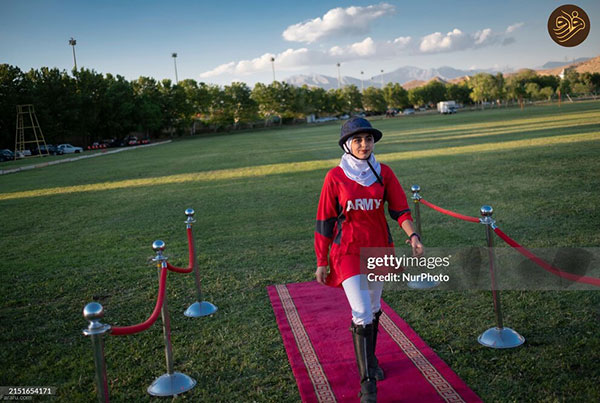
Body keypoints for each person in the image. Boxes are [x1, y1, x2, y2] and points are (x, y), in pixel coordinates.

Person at [314, 117, 424, 402]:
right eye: (358, 140)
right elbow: (325, 221)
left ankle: (371, 362)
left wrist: (413, 236)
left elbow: (400, 208)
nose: (364, 145)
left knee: (374, 308)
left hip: (378, 249)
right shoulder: (334, 177)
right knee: (361, 310)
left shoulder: (383, 172)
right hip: (348, 251)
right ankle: (368, 388)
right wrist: (321, 260)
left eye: (368, 139)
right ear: (347, 144)